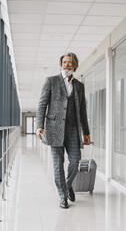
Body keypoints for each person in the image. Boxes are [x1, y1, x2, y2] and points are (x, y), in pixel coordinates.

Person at [36, 52, 90, 209]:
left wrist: (86, 132)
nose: (67, 65)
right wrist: (40, 125)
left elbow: (83, 111)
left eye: (70, 62)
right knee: (58, 164)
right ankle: (63, 197)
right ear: (61, 64)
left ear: (75, 65)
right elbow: (42, 104)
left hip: (73, 129)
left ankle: (67, 185)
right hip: (54, 129)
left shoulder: (79, 86)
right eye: (64, 62)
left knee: (75, 161)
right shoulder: (51, 81)